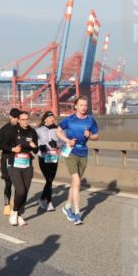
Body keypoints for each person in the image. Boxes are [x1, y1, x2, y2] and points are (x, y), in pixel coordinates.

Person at [56, 96, 99, 224]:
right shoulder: (69, 120)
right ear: (75, 106)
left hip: (83, 152)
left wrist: (90, 135)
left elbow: (96, 136)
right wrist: (67, 140)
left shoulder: (91, 121)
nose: (84, 107)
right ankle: (76, 213)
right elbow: (58, 131)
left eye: (85, 105)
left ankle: (67, 207)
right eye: (81, 105)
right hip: (70, 152)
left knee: (75, 183)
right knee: (77, 181)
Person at [7, 110, 38, 227]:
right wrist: (13, 149)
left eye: (27, 119)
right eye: (23, 119)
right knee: (20, 191)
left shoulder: (32, 132)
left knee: (25, 192)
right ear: (19, 120)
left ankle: (19, 215)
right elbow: (1, 145)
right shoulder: (12, 131)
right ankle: (14, 212)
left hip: (27, 165)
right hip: (14, 165)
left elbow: (36, 150)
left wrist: (34, 146)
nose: (25, 121)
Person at [0, 108, 21, 216]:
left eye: (18, 118)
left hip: (20, 159)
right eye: (14, 118)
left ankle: (15, 201)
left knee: (19, 184)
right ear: (10, 117)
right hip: (7, 159)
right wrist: (11, 149)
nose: (16, 120)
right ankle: (6, 204)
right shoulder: (4, 129)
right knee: (8, 183)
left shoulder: (22, 128)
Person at [34, 111, 60, 211]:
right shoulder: (38, 130)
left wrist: (57, 145)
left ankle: (42, 199)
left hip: (53, 156)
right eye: (50, 117)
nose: (52, 119)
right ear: (45, 119)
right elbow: (34, 143)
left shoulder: (58, 129)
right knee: (48, 179)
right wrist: (40, 147)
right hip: (43, 157)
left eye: (53, 117)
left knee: (50, 180)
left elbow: (63, 141)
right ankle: (49, 202)